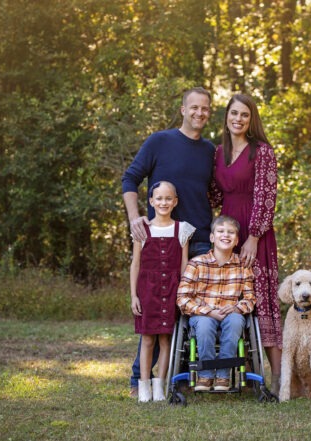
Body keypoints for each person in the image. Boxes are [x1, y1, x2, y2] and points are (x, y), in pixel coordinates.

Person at [122, 87, 215, 396]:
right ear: (183, 109)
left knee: (191, 312)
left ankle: (180, 376)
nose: (199, 113)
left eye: (205, 108)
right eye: (194, 107)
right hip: (160, 241)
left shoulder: (211, 151)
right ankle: (140, 380)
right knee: (154, 307)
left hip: (199, 239)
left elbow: (218, 192)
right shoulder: (159, 141)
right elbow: (130, 179)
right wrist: (136, 218)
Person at [209, 93, 283, 394]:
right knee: (233, 297)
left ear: (251, 120)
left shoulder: (262, 151)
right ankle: (246, 373)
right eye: (233, 113)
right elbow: (212, 194)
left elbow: (267, 196)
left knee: (261, 300)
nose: (238, 119)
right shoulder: (217, 152)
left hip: (255, 233)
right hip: (226, 230)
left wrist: (254, 236)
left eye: (244, 115)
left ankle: (280, 377)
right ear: (226, 116)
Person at [130, 181, 194, 402]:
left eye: (168, 198)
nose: (163, 202)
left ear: (175, 202)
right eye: (159, 198)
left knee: (166, 339)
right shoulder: (143, 230)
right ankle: (144, 385)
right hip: (148, 291)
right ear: (151, 201)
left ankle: (160, 384)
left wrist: (184, 294)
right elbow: (135, 264)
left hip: (172, 291)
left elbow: (184, 264)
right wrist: (133, 296)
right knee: (148, 339)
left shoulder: (182, 228)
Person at [176, 215, 256, 391]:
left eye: (231, 232)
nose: (225, 235)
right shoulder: (196, 263)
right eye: (220, 231)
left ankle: (223, 376)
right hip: (203, 314)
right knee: (204, 325)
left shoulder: (243, 266)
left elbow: (250, 299)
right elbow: (182, 298)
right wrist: (206, 311)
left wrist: (236, 307)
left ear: (236, 240)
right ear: (212, 237)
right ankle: (205, 376)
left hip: (231, 314)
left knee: (236, 321)